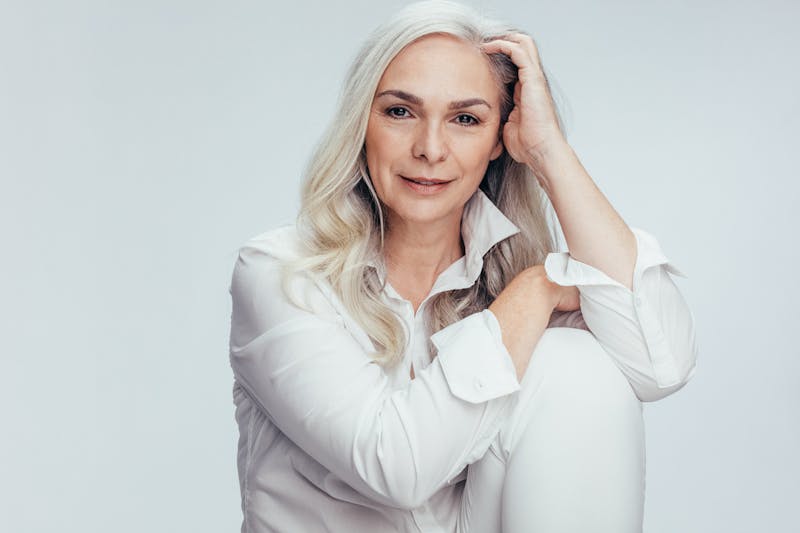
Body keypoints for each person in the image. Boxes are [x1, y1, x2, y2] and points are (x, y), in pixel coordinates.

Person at [227, 1, 698, 531]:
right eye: (400, 112)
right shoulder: (280, 271)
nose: (430, 148)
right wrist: (535, 291)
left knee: (576, 361)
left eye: (466, 119)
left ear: (501, 138)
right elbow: (395, 468)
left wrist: (547, 150)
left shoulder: (509, 276)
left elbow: (662, 364)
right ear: (363, 122)